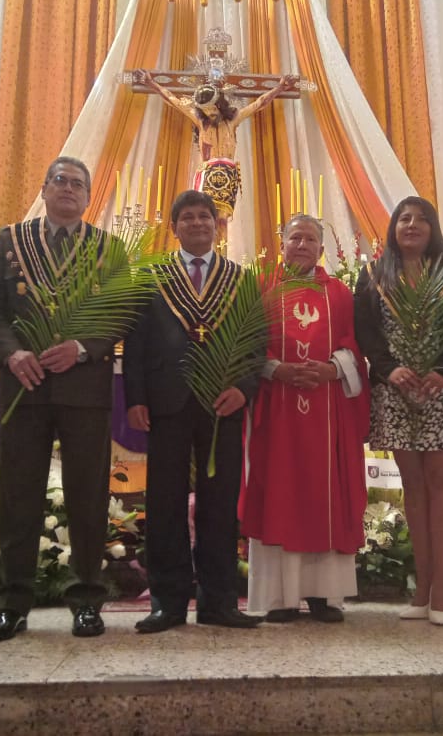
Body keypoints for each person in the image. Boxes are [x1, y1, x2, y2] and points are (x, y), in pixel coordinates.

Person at [0, 157, 117, 642]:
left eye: (78, 184)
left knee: (88, 497)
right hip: (25, 386)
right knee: (19, 496)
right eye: (60, 180)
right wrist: (11, 355)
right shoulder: (10, 241)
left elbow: (125, 311)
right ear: (44, 187)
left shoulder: (107, 248)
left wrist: (83, 347)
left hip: (84, 390)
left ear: (88, 196)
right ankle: (13, 603)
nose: (69, 189)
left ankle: (87, 600)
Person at [124, 189, 262, 633]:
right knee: (164, 503)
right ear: (174, 227)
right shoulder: (152, 277)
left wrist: (243, 388)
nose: (198, 223)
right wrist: (136, 398)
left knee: (220, 505)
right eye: (188, 217)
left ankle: (219, 601)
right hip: (166, 403)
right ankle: (167, 602)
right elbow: (137, 344)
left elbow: (256, 343)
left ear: (218, 226)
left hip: (222, 404)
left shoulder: (240, 279)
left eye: (206, 216)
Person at [354, 196, 443, 626]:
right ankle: (422, 591)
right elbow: (366, 333)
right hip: (397, 391)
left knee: (442, 483)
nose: (412, 225)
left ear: (433, 227)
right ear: (393, 228)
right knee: (412, 488)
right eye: (404, 219)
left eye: (421, 219)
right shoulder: (375, 276)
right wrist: (389, 369)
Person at [239, 214, 370, 623]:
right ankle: (280, 597)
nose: (301, 245)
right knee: (279, 490)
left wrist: (333, 369)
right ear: (282, 245)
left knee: (323, 493)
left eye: (310, 238)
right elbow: (244, 349)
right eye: (294, 237)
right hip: (276, 413)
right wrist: (275, 370)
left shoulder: (341, 295)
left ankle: (323, 595)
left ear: (321, 249)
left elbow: (356, 345)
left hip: (327, 413)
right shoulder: (262, 291)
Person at [134, 69, 297, 223]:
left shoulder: (233, 120)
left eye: (212, 108)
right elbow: (172, 99)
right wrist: (151, 83)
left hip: (227, 174)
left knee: (221, 221)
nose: (209, 113)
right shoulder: (200, 122)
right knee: (204, 216)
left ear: (219, 104)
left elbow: (260, 103)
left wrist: (280, 87)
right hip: (207, 174)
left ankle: (221, 251)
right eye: (205, 110)